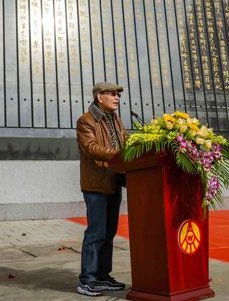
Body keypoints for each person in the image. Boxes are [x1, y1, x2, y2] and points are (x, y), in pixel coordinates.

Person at [76, 82, 128, 297]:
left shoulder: (115, 119)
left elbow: (124, 142)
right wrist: (119, 155)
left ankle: (103, 276)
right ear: (100, 97)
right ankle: (87, 279)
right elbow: (91, 148)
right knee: (95, 233)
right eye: (113, 94)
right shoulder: (86, 121)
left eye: (118, 95)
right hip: (97, 184)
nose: (117, 98)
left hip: (114, 181)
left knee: (109, 233)